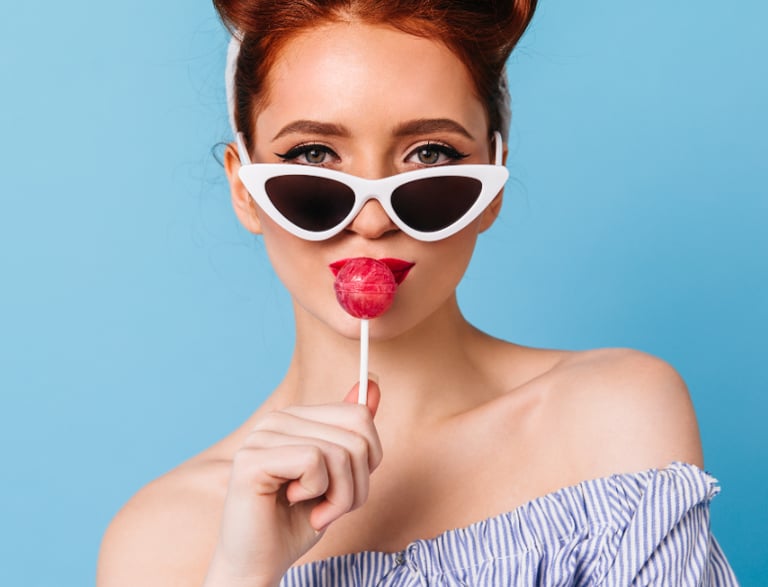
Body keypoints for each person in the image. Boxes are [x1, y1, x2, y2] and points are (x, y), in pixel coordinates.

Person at [97, 1, 738, 585]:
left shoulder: (608, 415)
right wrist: (245, 572)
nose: (372, 219)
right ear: (245, 190)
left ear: (494, 183)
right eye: (315, 155)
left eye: (429, 154)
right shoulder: (161, 539)